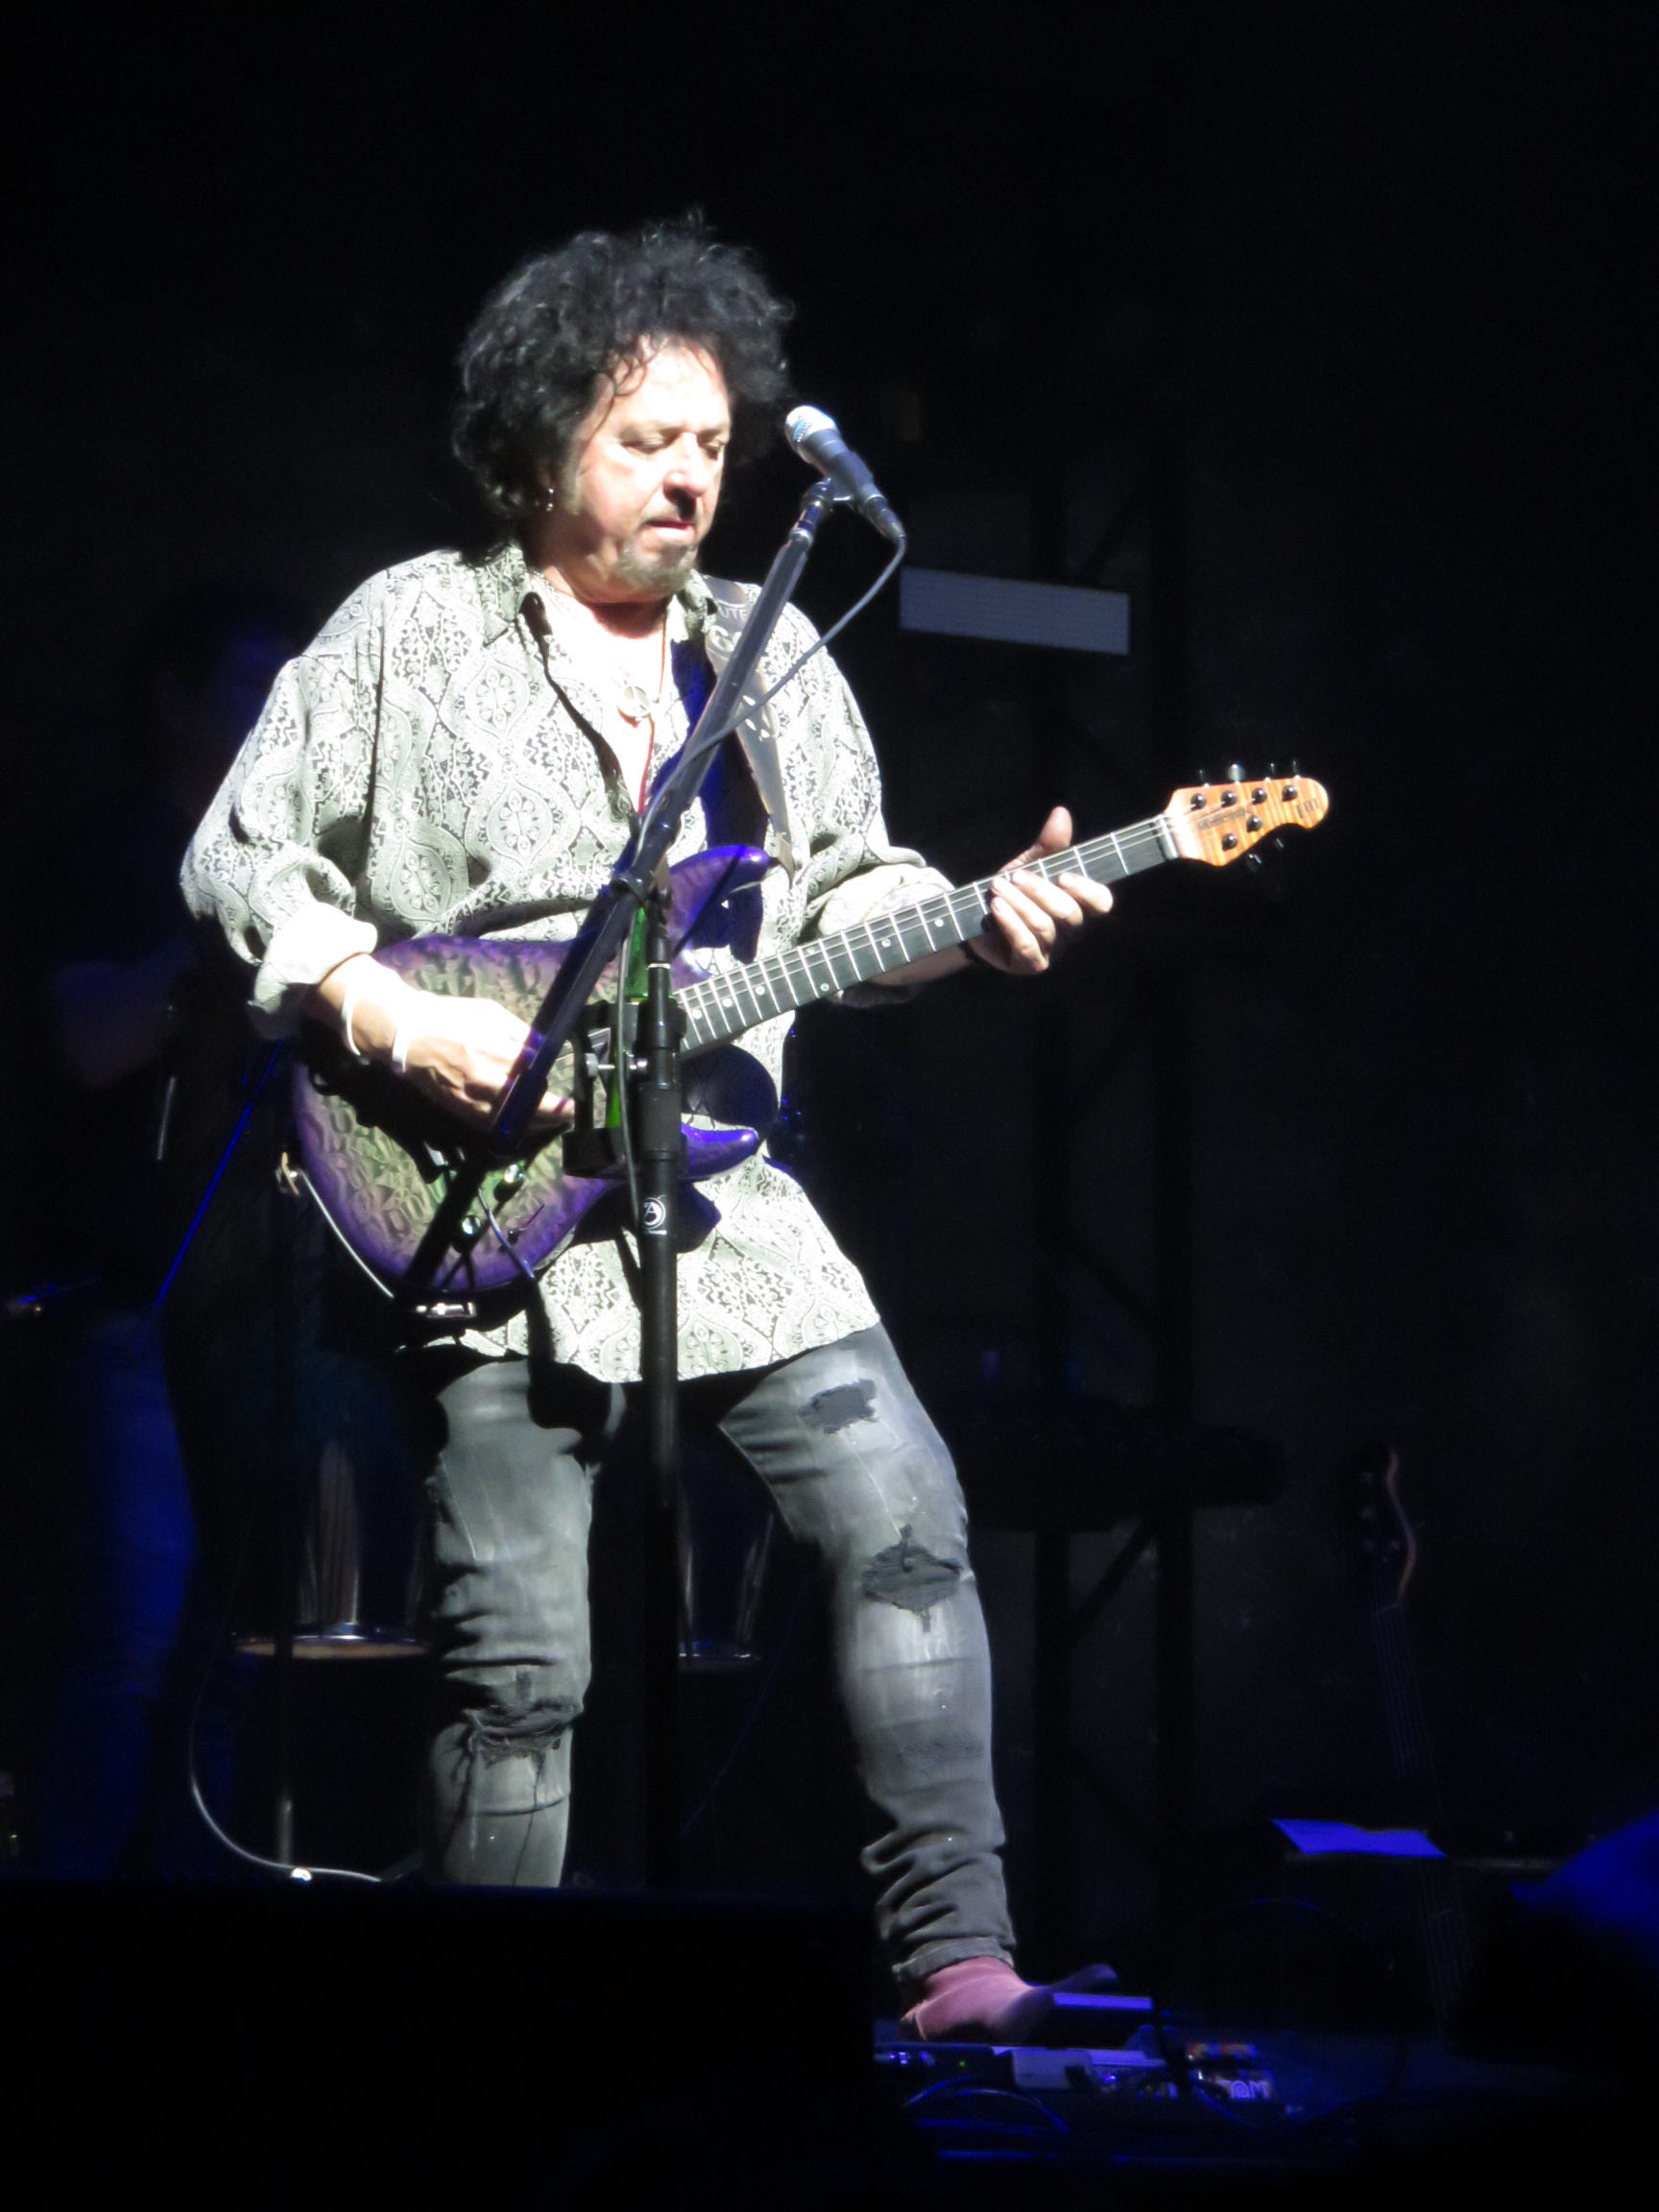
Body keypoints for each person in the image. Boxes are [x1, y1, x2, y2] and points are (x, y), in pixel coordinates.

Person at [181, 221, 1114, 2039]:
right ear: (544, 441)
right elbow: (239, 860)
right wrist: (391, 1013)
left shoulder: (768, 656)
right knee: (523, 1653)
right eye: (644, 439)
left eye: (712, 443)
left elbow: (848, 894)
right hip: (490, 1195)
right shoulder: (409, 629)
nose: (691, 475)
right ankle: (486, 2036)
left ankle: (958, 1964)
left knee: (907, 1519)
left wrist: (974, 918)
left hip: (721, 1193)